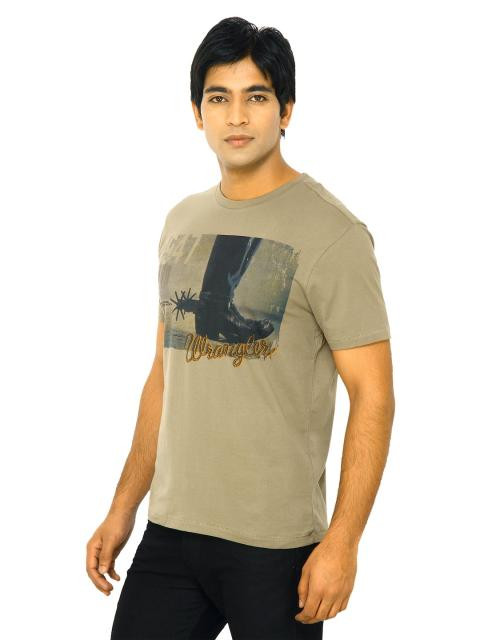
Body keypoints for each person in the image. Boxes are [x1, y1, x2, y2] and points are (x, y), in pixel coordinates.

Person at [86, 16, 395, 640]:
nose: (236, 116)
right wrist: (124, 506)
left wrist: (343, 541)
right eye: (218, 98)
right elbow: (164, 377)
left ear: (286, 110)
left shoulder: (333, 233)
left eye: (256, 96)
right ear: (196, 113)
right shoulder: (182, 222)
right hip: (172, 533)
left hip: (276, 546)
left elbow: (374, 395)